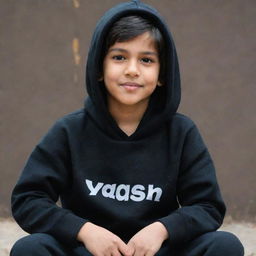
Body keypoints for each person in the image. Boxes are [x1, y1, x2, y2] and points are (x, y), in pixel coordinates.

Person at [10, 1, 244, 255]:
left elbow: (208, 206)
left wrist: (162, 229)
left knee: (225, 245)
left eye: (146, 60)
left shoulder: (181, 132)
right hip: (87, 251)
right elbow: (28, 200)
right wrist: (85, 231)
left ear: (162, 73)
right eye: (119, 57)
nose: (132, 70)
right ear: (99, 68)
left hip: (156, 251)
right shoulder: (69, 131)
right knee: (30, 249)